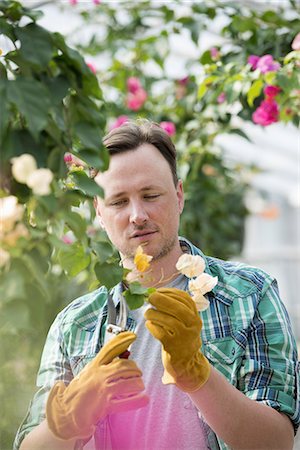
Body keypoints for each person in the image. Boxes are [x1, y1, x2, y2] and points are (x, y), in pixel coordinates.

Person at [15, 120, 299, 450]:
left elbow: (276, 442)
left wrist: (198, 376)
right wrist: (68, 422)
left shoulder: (250, 295)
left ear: (178, 196)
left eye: (151, 195)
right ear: (99, 212)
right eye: (118, 202)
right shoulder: (75, 324)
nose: (137, 215)